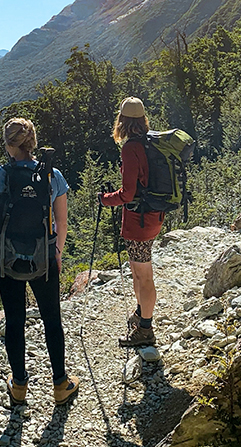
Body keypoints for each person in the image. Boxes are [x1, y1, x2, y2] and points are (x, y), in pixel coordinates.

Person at [0, 117, 79, 406]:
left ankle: (18, 387)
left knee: (14, 319)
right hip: (44, 256)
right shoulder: (54, 176)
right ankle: (61, 385)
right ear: (33, 142)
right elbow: (61, 223)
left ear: (8, 145)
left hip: (6, 258)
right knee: (52, 319)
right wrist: (57, 253)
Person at [100, 97, 162, 348]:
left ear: (122, 121)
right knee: (138, 272)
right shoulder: (151, 143)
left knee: (144, 276)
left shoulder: (130, 148)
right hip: (153, 217)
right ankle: (140, 314)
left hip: (139, 222)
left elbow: (127, 193)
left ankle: (145, 329)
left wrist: (105, 199)